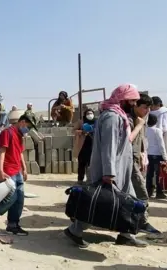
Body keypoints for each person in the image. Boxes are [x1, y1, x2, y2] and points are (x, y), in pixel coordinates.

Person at [64, 83, 148, 248]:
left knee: (128, 202)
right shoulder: (111, 117)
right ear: (122, 99)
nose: (133, 104)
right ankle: (75, 230)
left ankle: (126, 235)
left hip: (121, 169)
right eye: (131, 100)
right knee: (99, 203)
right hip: (110, 170)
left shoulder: (119, 115)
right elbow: (108, 146)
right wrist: (109, 173)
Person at [0, 114, 37, 236]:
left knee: (19, 199)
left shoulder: (20, 135)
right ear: (22, 122)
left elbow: (20, 153)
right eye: (29, 127)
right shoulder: (7, 132)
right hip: (8, 171)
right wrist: (0, 171)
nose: (29, 130)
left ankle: (13, 225)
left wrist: (24, 168)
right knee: (10, 199)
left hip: (17, 170)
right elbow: (1, 152)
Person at [127, 93, 159, 234]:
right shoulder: (128, 119)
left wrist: (142, 153)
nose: (147, 111)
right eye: (145, 107)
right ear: (136, 105)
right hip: (126, 160)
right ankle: (142, 222)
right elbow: (129, 139)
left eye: (149, 108)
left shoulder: (142, 119)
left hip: (135, 158)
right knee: (141, 192)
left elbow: (141, 139)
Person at [145, 114, 167, 199]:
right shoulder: (157, 130)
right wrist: (165, 156)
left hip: (148, 154)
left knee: (149, 174)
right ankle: (159, 192)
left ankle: (148, 191)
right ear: (156, 121)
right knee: (159, 174)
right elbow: (161, 144)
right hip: (157, 155)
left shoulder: (145, 130)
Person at [72, 109, 96, 184]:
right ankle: (80, 179)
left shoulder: (97, 121)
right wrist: (82, 132)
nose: (90, 115)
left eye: (91, 113)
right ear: (85, 115)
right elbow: (73, 130)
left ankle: (90, 179)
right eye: (88, 113)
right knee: (82, 163)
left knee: (91, 164)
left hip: (93, 146)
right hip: (82, 146)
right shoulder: (81, 122)